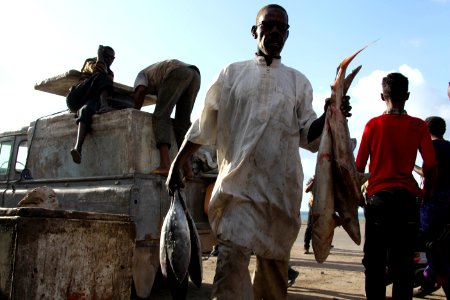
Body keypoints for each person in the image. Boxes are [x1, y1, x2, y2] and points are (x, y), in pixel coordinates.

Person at [166, 4, 352, 299]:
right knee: (229, 278)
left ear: (288, 34)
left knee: (272, 281)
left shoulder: (298, 82)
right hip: (236, 193)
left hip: (280, 196)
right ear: (255, 31)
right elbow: (203, 125)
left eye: (281, 27)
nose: (275, 31)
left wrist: (330, 115)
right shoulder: (231, 73)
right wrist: (178, 163)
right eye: (268, 25)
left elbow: (309, 135)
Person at [355, 72, 438, 299]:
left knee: (374, 263)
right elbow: (430, 165)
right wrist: (425, 192)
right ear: (408, 96)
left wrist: (359, 197)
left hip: (378, 200)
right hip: (407, 201)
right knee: (403, 266)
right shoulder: (418, 126)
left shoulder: (372, 125)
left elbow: (359, 167)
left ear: (383, 96)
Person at [133, 59, 201, 178]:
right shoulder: (157, 78)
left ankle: (165, 165)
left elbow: (141, 90)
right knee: (182, 123)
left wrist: (134, 111)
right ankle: (187, 170)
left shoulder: (141, 75)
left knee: (160, 116)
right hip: (195, 74)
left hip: (176, 71)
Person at [413, 116, 450, 298]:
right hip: (448, 202)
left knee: (431, 245)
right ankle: (428, 281)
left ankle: (437, 278)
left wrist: (413, 166)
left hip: (433, 202)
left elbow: (430, 172)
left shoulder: (432, 147)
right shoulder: (449, 146)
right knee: (442, 245)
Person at [66, 45, 116, 164]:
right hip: (77, 97)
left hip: (87, 101)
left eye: (111, 58)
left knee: (87, 110)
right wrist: (99, 55)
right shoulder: (91, 62)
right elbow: (98, 70)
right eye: (106, 56)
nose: (108, 60)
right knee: (101, 75)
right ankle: (104, 105)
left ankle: (77, 148)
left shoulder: (110, 72)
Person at [303, 176, 314, 254]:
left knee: (323, 226)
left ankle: (325, 246)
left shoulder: (328, 178)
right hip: (313, 204)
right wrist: (314, 181)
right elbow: (306, 190)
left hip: (324, 206)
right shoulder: (312, 178)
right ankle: (306, 246)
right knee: (310, 226)